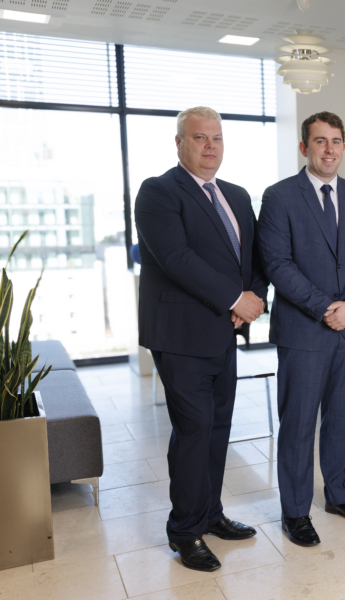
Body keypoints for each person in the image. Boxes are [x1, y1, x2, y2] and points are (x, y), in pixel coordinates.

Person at [135, 106, 268, 572]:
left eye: (216, 138)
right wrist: (236, 298)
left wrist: (254, 298)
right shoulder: (157, 191)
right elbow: (176, 257)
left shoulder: (235, 193)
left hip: (223, 332)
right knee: (193, 431)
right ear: (179, 143)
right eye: (199, 138)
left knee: (217, 429)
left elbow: (253, 259)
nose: (210, 146)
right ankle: (185, 532)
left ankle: (211, 514)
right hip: (180, 334)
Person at [258, 112, 345, 547]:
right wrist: (325, 307)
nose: (329, 149)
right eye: (320, 141)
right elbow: (277, 264)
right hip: (303, 330)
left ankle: (338, 494)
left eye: (336, 141)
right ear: (303, 148)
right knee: (298, 423)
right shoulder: (278, 197)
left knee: (342, 419)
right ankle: (294, 511)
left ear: (344, 147)